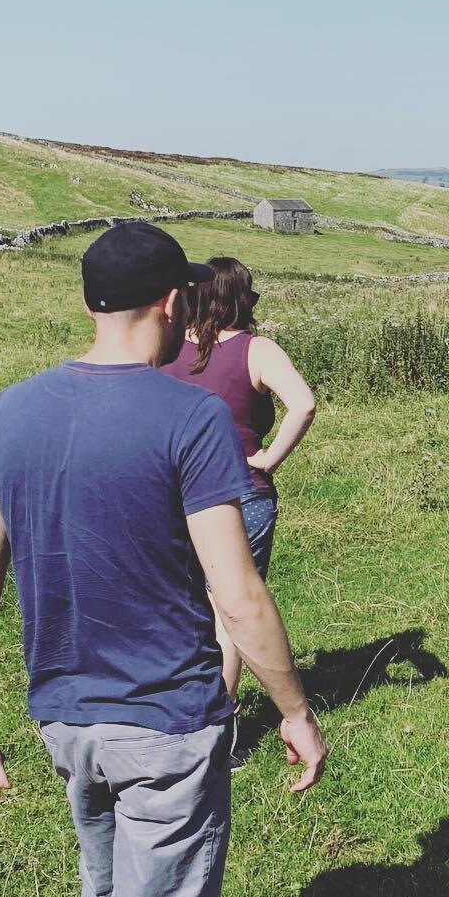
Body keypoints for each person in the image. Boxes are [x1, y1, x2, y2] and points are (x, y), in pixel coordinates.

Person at [0, 221, 326, 897]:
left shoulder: (8, 412)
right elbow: (237, 593)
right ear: (173, 302)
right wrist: (295, 711)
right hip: (167, 721)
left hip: (66, 724)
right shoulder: (189, 416)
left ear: (88, 302)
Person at [163, 256, 317, 711]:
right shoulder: (257, 350)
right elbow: (303, 405)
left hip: (175, 492)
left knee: (183, 606)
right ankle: (221, 725)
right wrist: (268, 458)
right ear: (241, 300)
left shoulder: (169, 349)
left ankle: (181, 705)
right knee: (232, 613)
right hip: (241, 491)